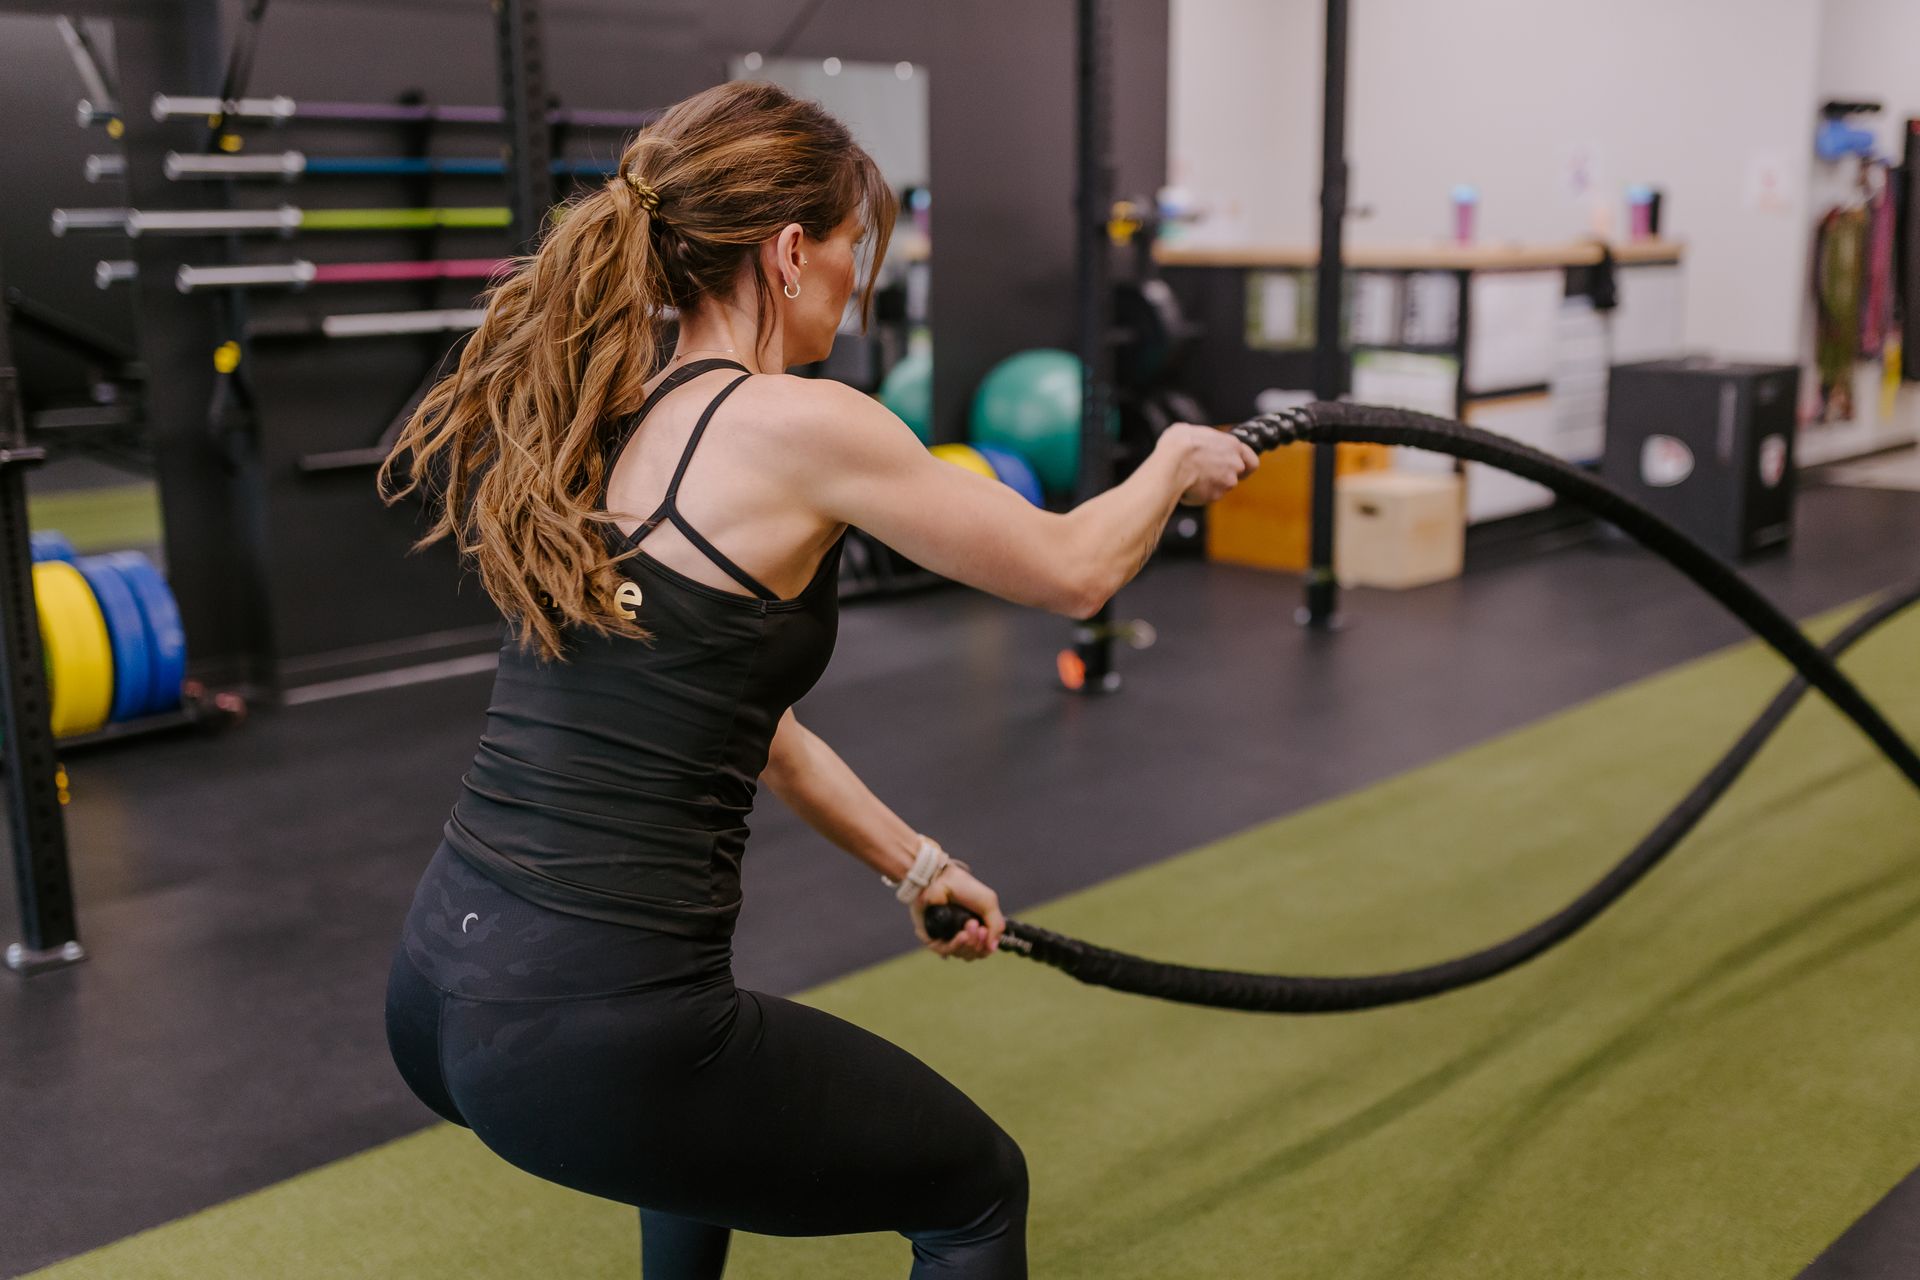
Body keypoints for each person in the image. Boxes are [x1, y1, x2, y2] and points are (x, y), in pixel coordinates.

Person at [378, 80, 1258, 1280]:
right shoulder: (799, 423)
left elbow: (761, 725)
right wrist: (1170, 458)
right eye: (857, 249)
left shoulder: (614, 413)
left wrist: (919, 866)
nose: (863, 280)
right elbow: (1075, 569)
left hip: (438, 990)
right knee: (976, 1188)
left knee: (685, 1144)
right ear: (792, 252)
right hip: (587, 1029)